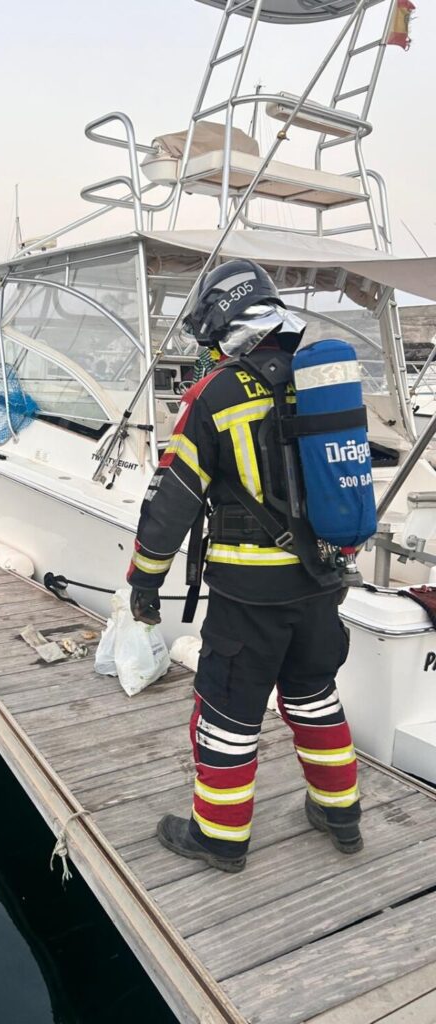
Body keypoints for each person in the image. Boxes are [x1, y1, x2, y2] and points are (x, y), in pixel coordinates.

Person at [127, 259, 362, 874]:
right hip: (321, 586)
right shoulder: (317, 382)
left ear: (223, 324)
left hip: (248, 598)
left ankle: (221, 837)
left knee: (227, 717)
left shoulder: (217, 394)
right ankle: (341, 814)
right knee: (314, 697)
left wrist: (144, 583)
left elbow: (170, 504)